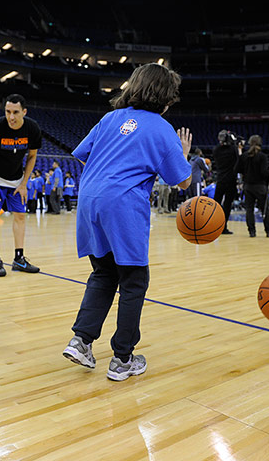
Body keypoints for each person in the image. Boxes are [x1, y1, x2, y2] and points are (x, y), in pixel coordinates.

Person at [61, 63, 193, 381]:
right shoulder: (161, 128)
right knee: (134, 281)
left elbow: (81, 153)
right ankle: (123, 358)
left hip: (90, 200)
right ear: (165, 96)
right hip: (121, 205)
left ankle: (81, 341)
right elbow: (184, 182)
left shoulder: (109, 119)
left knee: (103, 273)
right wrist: (183, 153)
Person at [0, 93, 41, 276]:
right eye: (7, 112)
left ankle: (19, 258)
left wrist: (24, 183)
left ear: (24, 112)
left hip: (17, 178)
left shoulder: (32, 128)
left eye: (15, 112)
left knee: (20, 215)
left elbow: (32, 156)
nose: (11, 117)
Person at [238, 135, 269, 238]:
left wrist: (245, 172)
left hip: (248, 186)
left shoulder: (244, 156)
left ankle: (252, 231)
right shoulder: (262, 156)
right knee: (265, 209)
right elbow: (264, 172)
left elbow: (237, 169)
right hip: (260, 186)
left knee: (249, 210)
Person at [210, 130, 241, 234]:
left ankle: (211, 225)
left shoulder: (216, 150)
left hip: (220, 179)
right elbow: (238, 160)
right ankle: (223, 227)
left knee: (216, 203)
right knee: (227, 204)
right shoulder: (233, 149)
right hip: (231, 180)